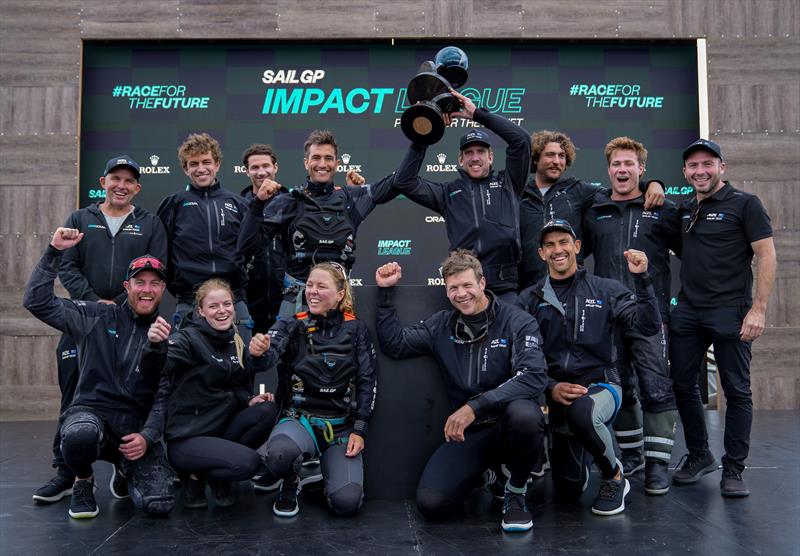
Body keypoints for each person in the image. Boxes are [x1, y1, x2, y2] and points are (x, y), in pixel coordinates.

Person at [375, 249, 548, 533]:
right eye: (453, 288)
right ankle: (492, 478)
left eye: (467, 285)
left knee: (525, 415)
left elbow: (533, 377)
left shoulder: (517, 320)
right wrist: (384, 294)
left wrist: (474, 406)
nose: (461, 293)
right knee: (431, 503)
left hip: (508, 425)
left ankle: (516, 493)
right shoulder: (442, 324)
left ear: (482, 283)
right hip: (472, 433)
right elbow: (395, 344)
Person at [33, 155, 167, 505]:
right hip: (87, 317)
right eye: (115, 179)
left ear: (137, 188)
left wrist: (125, 308)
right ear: (103, 181)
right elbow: (68, 266)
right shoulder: (81, 218)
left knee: (134, 392)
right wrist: (93, 301)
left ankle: (126, 463)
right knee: (74, 395)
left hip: (131, 319)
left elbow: (154, 274)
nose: (121, 186)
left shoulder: (149, 223)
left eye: (128, 181)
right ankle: (68, 471)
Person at [24, 231, 175, 519]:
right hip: (91, 414)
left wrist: (147, 436)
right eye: (140, 282)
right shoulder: (96, 316)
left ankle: (124, 468)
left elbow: (163, 397)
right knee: (80, 436)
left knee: (160, 504)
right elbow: (37, 301)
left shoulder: (167, 334)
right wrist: (54, 250)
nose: (147, 289)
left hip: (134, 429)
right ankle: (83, 480)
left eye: (155, 283)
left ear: (163, 288)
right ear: (126, 286)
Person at [519, 220, 661, 515]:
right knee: (568, 492)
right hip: (556, 395)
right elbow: (520, 356)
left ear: (577, 247)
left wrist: (643, 279)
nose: (558, 249)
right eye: (550, 245)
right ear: (541, 253)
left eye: (564, 242)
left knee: (583, 411)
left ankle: (614, 476)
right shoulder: (529, 299)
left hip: (602, 386)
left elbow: (647, 326)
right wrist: (549, 387)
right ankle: (581, 452)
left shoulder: (606, 289)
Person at [669, 139, 776, 497]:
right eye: (693, 166)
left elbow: (767, 255)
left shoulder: (746, 204)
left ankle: (734, 469)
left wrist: (757, 308)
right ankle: (699, 455)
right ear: (685, 172)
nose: (700, 171)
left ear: (722, 168)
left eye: (707, 164)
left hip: (731, 311)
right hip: (688, 310)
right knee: (682, 385)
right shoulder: (684, 209)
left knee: (736, 391)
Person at [582, 137, 681, 495]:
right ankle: (633, 456)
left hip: (650, 314)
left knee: (656, 386)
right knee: (620, 387)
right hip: (608, 315)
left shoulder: (664, 207)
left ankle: (657, 466)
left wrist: (659, 189)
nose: (622, 170)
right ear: (608, 170)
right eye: (616, 165)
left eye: (629, 164)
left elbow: (693, 254)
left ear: (642, 168)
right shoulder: (594, 209)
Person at [140, 278, 278, 508]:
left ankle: (211, 475)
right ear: (201, 311)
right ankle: (197, 477)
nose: (222, 311)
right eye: (213, 306)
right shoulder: (186, 339)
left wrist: (249, 398)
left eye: (227, 304)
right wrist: (155, 346)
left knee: (266, 410)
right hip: (188, 439)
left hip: (219, 430)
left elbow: (238, 384)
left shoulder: (234, 340)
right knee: (250, 463)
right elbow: (156, 368)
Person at [257, 262, 377, 517]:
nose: (312, 291)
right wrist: (259, 352)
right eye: (309, 285)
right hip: (300, 421)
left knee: (347, 503)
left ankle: (324, 481)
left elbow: (368, 381)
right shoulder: (291, 324)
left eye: (321, 286)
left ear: (340, 293)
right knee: (279, 455)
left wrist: (360, 429)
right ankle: (289, 482)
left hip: (340, 428)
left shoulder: (356, 330)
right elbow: (266, 359)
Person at [237, 130, 397, 318]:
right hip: (293, 297)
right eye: (316, 158)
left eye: (328, 158)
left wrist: (420, 137)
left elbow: (398, 181)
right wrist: (257, 205)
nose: (322, 164)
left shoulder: (348, 198)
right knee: (286, 346)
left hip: (337, 298)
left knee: (344, 344)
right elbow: (246, 248)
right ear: (306, 163)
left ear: (337, 164)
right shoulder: (289, 201)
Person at [392, 90, 530, 301]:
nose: (475, 158)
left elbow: (521, 141)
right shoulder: (448, 193)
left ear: (491, 157)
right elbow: (403, 181)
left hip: (505, 289)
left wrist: (478, 114)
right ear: (460, 159)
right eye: (468, 152)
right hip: (464, 288)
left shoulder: (508, 183)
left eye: (481, 151)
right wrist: (425, 132)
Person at [518, 130, 665, 290]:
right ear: (536, 158)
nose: (557, 161)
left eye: (562, 156)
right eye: (550, 155)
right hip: (529, 287)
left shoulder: (577, 190)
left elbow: (620, 191)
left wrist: (652, 184)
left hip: (571, 287)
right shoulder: (518, 193)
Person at [157, 133, 253, 343]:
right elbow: (160, 252)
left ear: (217, 164)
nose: (201, 168)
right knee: (187, 368)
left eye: (206, 162)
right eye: (194, 164)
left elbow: (252, 250)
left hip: (233, 298)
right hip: (189, 300)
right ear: (185, 168)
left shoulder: (238, 204)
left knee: (242, 365)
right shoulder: (174, 203)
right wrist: (180, 284)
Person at [239, 144, 287, 333]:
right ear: (246, 172)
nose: (261, 172)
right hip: (249, 302)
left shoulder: (292, 202)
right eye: (255, 168)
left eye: (266, 166)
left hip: (287, 300)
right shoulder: (238, 206)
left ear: (275, 167)